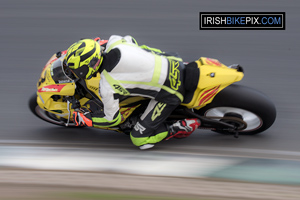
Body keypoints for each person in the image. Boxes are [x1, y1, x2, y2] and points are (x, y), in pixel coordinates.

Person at [63, 35, 201, 150]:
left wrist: (88, 120)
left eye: (76, 70)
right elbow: (131, 40)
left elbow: (112, 120)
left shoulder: (107, 86)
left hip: (171, 91)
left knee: (139, 139)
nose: (75, 73)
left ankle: (178, 127)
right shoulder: (114, 41)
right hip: (173, 61)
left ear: (86, 68)